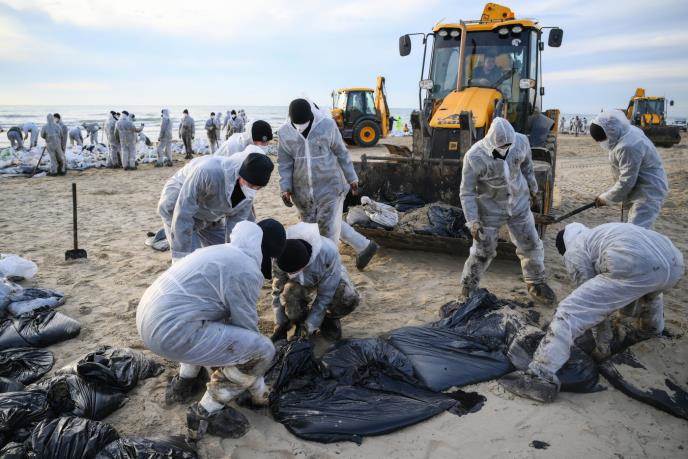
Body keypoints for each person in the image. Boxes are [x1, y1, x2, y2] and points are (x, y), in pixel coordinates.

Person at [136, 219, 287, 440]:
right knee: (262, 350)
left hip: (148, 318)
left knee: (206, 321)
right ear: (265, 252)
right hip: (170, 331)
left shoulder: (222, 251)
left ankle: (184, 382)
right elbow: (247, 332)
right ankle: (206, 410)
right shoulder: (245, 270)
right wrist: (258, 390)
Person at [501, 222, 684, 403]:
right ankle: (650, 333)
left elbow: (592, 312)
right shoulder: (598, 234)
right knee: (649, 295)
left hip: (635, 262)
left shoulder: (575, 250)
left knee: (569, 312)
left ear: (565, 246)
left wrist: (602, 345)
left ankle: (539, 376)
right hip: (674, 262)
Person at [459, 117, 556, 305]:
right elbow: (467, 192)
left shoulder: (521, 142)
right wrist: (472, 221)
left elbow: (527, 167)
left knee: (531, 244)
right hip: (489, 209)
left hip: (519, 204)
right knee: (482, 251)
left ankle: (536, 282)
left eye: (508, 146)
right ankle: (468, 287)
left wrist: (533, 189)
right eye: (500, 148)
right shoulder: (474, 156)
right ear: (490, 143)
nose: (504, 150)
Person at [277, 98, 379, 270]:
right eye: (297, 124)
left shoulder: (327, 126)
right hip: (302, 193)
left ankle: (328, 269)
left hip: (330, 187)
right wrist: (285, 188)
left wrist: (352, 178)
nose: (301, 127)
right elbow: (284, 162)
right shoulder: (285, 132)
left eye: (304, 123)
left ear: (311, 116)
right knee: (314, 227)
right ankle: (364, 245)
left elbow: (342, 153)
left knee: (327, 230)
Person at [158, 148, 274, 262]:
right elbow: (183, 211)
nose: (252, 189)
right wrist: (181, 255)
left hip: (211, 215)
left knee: (223, 256)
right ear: (241, 175)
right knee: (190, 260)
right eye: (250, 185)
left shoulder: (248, 194)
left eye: (257, 188)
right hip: (177, 205)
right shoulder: (208, 172)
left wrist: (235, 254)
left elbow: (236, 227)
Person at [271, 222, 360, 342]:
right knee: (289, 295)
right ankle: (299, 321)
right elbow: (277, 290)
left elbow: (325, 296)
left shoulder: (328, 252)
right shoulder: (280, 255)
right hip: (298, 283)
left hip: (328, 275)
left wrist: (310, 327)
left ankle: (328, 320)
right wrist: (280, 323)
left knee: (347, 297)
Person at [590, 110, 668, 229]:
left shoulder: (629, 146)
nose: (601, 143)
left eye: (601, 140)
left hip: (647, 192)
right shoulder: (625, 132)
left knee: (636, 231)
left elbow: (627, 181)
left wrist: (605, 198)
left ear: (611, 131)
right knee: (630, 229)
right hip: (637, 189)